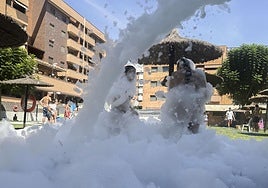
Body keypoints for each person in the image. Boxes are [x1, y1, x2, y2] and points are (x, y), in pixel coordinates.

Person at [160, 57, 213, 135]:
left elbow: (171, 93)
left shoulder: (175, 75)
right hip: (194, 107)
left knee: (177, 132)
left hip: (178, 107)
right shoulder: (200, 75)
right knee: (193, 134)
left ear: (178, 66)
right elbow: (205, 95)